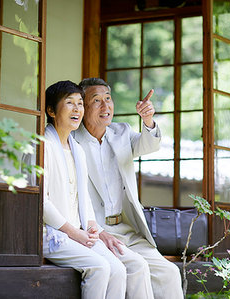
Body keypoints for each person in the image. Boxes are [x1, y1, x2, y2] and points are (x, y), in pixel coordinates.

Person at [72, 78, 184, 299]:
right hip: (95, 229)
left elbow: (149, 144)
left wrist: (148, 120)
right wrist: (95, 231)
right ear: (83, 106)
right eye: (96, 100)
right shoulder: (73, 140)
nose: (106, 106)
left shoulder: (121, 132)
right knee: (138, 268)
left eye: (108, 99)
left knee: (169, 272)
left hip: (126, 229)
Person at [42, 80, 126, 299]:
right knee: (100, 267)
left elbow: (83, 197)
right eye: (69, 103)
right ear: (51, 110)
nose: (77, 109)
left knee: (118, 269)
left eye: (80, 103)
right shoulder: (41, 145)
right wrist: (73, 232)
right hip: (51, 234)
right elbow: (40, 201)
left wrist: (90, 226)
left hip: (77, 233)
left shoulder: (77, 149)